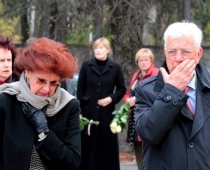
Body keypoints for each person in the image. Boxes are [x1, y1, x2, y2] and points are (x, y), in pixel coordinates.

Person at [134, 21, 210, 170]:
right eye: (172, 52)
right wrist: (171, 92)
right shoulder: (146, 89)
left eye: (186, 51)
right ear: (165, 53)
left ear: (199, 54)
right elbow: (148, 134)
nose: (178, 58)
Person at [0, 37, 81, 170]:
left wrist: (44, 133)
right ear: (27, 72)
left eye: (54, 83)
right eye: (41, 81)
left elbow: (72, 163)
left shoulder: (68, 106)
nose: (47, 89)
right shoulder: (6, 101)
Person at [77, 37, 126, 170]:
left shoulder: (115, 67)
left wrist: (111, 98)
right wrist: (79, 112)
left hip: (106, 115)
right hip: (88, 113)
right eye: (96, 48)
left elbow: (122, 89)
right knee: (88, 144)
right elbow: (80, 90)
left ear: (108, 50)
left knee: (106, 146)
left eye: (101, 48)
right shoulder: (86, 65)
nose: (98, 50)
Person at [123, 48, 159, 170]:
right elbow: (129, 93)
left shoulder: (157, 74)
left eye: (146, 60)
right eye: (140, 60)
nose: (143, 62)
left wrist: (138, 99)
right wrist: (128, 100)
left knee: (150, 155)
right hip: (135, 117)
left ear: (151, 61)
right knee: (139, 153)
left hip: (149, 117)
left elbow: (158, 96)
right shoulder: (136, 75)